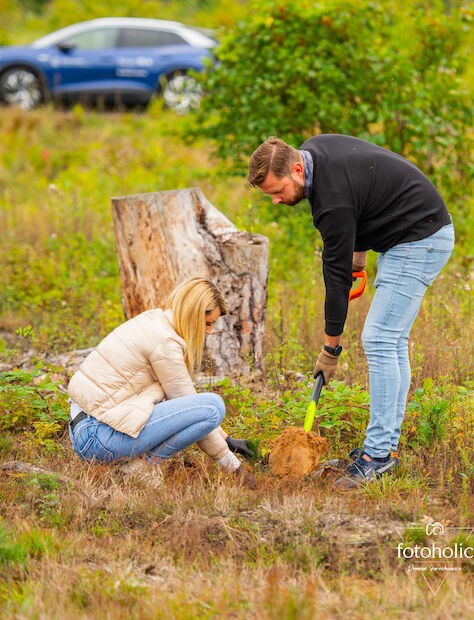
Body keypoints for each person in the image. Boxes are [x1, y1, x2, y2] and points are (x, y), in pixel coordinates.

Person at [248, 135, 454, 488]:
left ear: (297, 168)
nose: (277, 200)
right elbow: (363, 190)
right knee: (391, 341)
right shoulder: (316, 149)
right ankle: (384, 448)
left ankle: (377, 456)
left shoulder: (331, 205)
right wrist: (360, 258)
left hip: (419, 238)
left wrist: (331, 350)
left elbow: (336, 279)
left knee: (379, 339)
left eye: (278, 190)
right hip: (412, 234)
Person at [67, 277, 256, 486]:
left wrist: (227, 439)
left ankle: (130, 467)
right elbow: (199, 410)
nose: (209, 331)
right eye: (208, 323)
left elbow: (184, 407)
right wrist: (234, 466)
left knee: (202, 409)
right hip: (99, 436)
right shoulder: (165, 343)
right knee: (213, 406)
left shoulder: (154, 322)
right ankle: (139, 467)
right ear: (193, 314)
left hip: (85, 433)